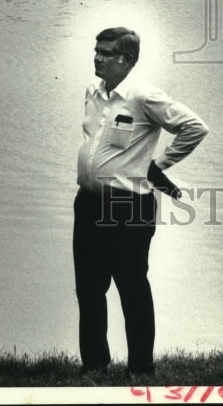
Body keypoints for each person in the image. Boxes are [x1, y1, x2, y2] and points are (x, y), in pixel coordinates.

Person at [73, 26, 209, 375]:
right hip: (88, 203)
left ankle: (140, 369)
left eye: (106, 53)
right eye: (96, 50)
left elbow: (195, 127)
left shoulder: (144, 96)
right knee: (88, 289)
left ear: (127, 59)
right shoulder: (93, 90)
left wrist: (158, 165)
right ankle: (94, 367)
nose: (97, 57)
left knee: (132, 286)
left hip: (127, 207)